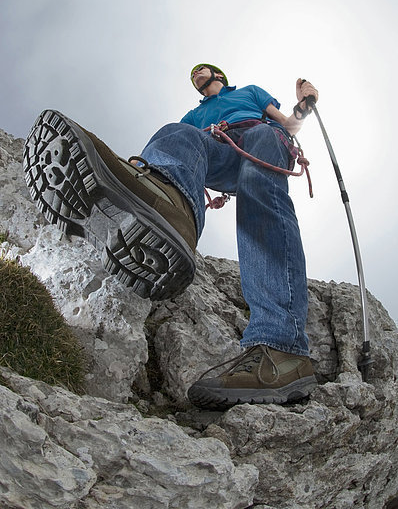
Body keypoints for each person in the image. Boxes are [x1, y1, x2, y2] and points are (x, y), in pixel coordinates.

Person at [23, 64, 319, 410]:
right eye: (194, 74)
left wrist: (305, 103)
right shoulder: (195, 113)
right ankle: (169, 208)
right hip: (218, 147)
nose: (197, 75)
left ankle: (283, 349)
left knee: (261, 181)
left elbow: (288, 125)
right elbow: (188, 157)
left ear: (219, 76)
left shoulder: (249, 92)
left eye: (203, 70)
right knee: (177, 133)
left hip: (260, 137)